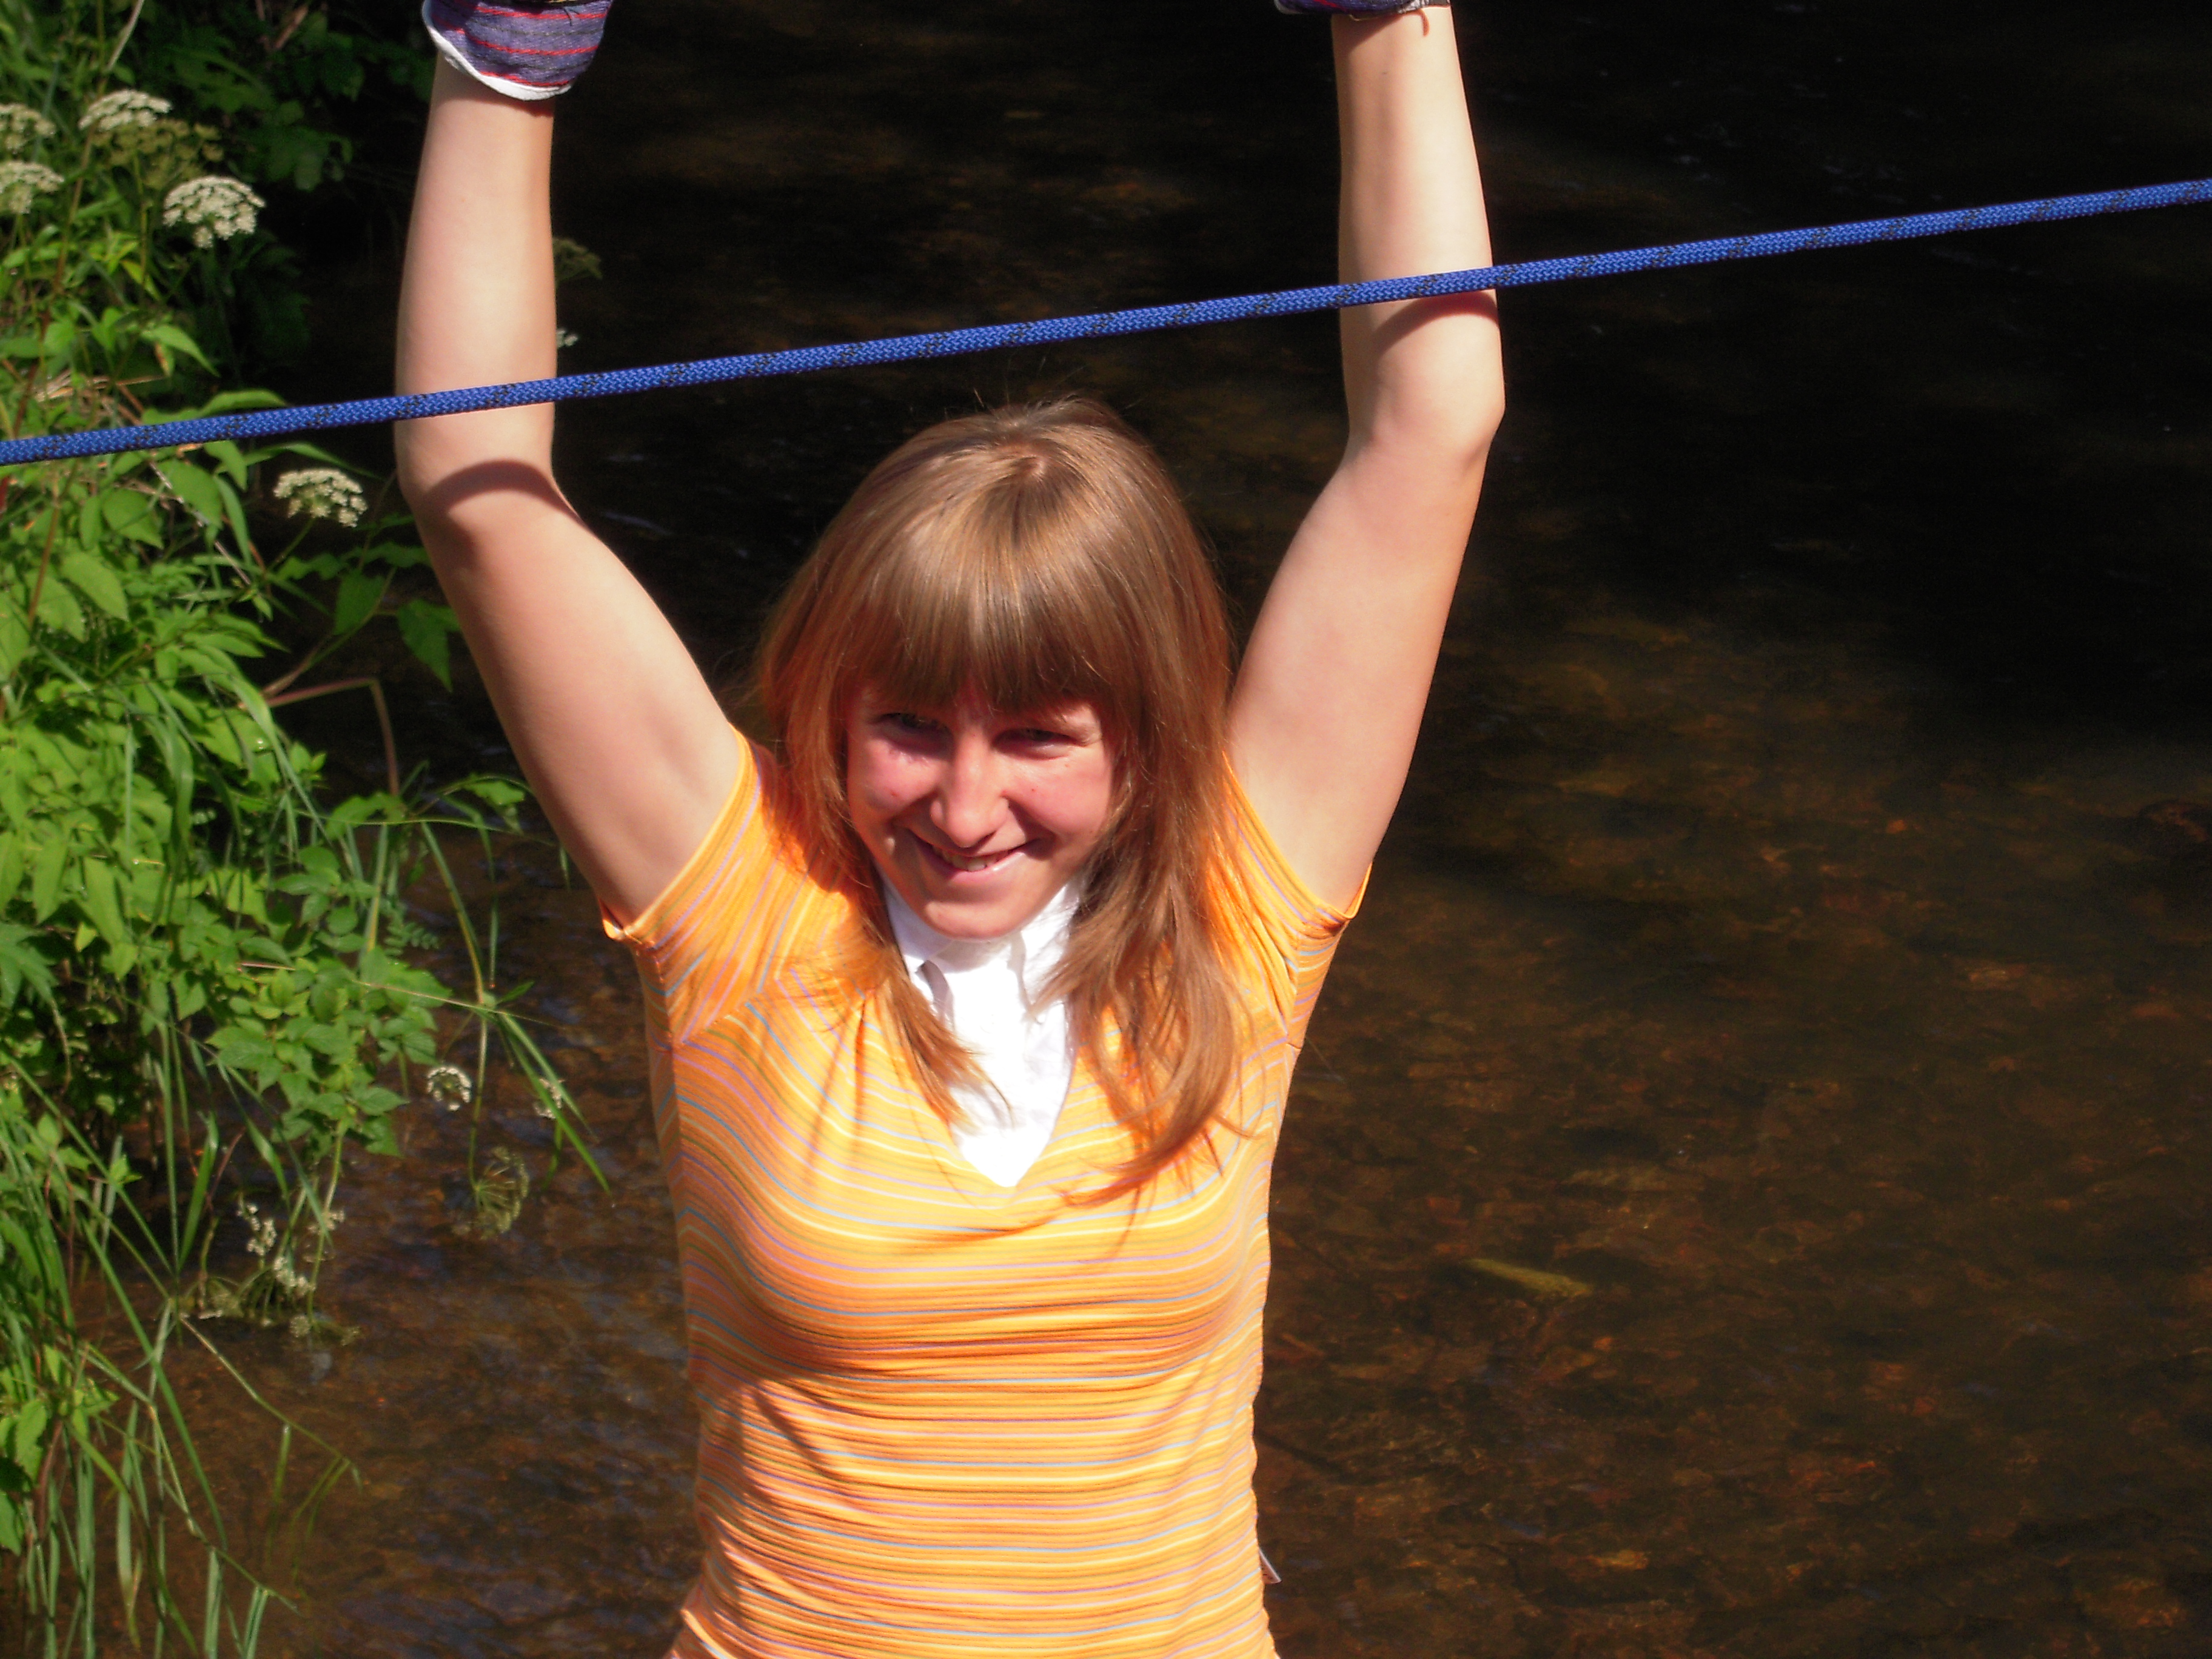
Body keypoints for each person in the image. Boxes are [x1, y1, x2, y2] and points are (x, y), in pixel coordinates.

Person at [395, 0, 1502, 1652]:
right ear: (829, 704)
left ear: (1146, 738)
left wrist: (1388, 18)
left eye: (1041, 738)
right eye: (907, 727)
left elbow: (1432, 433)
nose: (964, 807)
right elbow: (476, 484)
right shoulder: (744, 901)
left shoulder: (1238, 903)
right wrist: (508, 56)